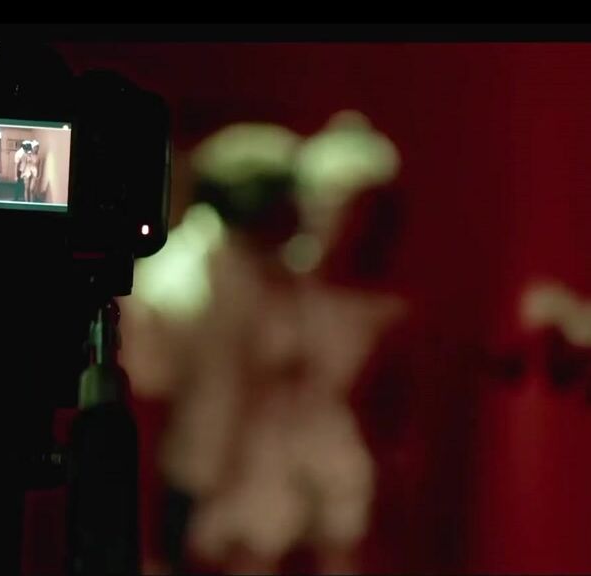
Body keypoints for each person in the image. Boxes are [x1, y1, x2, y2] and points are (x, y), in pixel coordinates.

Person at [121, 114, 403, 574]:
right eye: (294, 208)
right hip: (186, 486)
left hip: (254, 488)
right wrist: (148, 540)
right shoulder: (176, 285)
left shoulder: (270, 278)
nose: (304, 222)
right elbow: (145, 408)